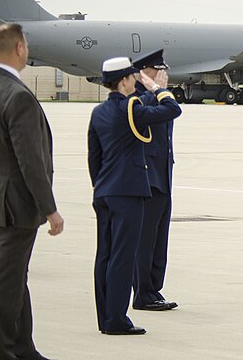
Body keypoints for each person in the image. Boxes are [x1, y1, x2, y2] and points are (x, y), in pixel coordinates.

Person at [0, 22, 64, 359]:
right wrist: (50, 209)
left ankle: (23, 347)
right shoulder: (17, 96)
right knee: (4, 283)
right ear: (19, 48)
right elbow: (30, 162)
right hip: (15, 204)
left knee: (13, 276)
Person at [88, 57, 182, 336]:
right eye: (132, 77)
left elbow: (95, 157)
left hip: (105, 190)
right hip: (128, 191)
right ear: (125, 81)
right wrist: (156, 88)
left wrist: (101, 186)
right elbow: (172, 109)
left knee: (104, 255)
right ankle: (117, 319)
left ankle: (106, 317)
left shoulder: (99, 112)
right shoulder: (132, 107)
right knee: (122, 257)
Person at [131, 49, 180, 312]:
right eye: (159, 70)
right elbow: (163, 112)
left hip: (163, 176)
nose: (164, 75)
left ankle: (153, 290)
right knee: (145, 240)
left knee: (159, 240)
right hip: (147, 178)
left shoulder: (159, 96)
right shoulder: (137, 98)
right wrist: (153, 90)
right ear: (145, 73)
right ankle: (142, 293)